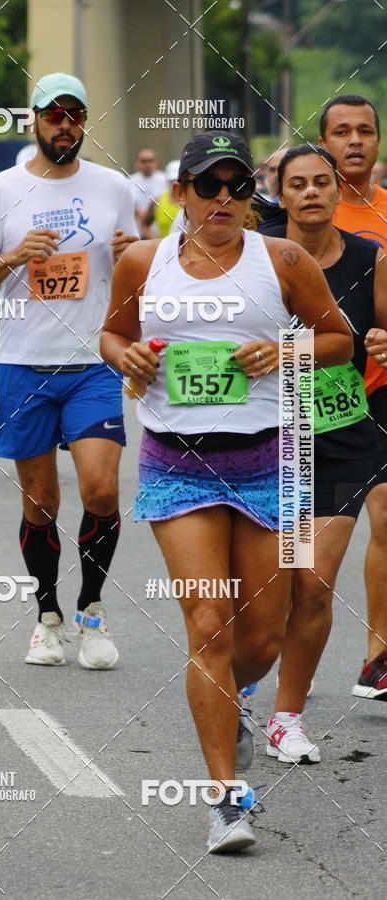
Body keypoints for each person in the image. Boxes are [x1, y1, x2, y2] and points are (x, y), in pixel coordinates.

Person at [100, 131, 352, 853]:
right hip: (178, 463)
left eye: (236, 186)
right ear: (180, 193)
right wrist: (130, 358)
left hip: (270, 460)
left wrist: (284, 349)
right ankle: (225, 798)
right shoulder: (142, 262)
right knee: (209, 624)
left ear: (251, 197)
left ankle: (230, 700)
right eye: (207, 185)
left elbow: (337, 338)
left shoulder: (284, 261)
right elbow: (111, 337)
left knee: (262, 637)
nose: (221, 198)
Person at [0, 71, 138, 668]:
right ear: (34, 120)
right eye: (53, 115)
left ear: (84, 121)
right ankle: (48, 617)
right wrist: (14, 255)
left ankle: (92, 611)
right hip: (23, 364)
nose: (65, 125)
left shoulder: (112, 185)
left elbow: (139, 269)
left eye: (74, 115)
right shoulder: (1, 191)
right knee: (40, 504)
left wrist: (128, 256)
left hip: (92, 362)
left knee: (102, 491)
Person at [259, 145, 387, 762]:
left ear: (339, 191)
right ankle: (244, 676)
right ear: (280, 195)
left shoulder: (369, 257)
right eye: (298, 184)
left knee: (312, 586)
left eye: (321, 182)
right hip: (266, 441)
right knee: (268, 590)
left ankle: (286, 718)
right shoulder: (254, 255)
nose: (310, 192)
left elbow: (383, 329)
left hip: (340, 439)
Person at [319, 94, 387, 699]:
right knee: (307, 541)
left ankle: (377, 658)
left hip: (380, 391)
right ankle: (279, 641)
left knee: (386, 514)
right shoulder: (304, 207)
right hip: (315, 393)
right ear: (324, 143)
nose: (355, 141)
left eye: (365, 130)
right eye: (342, 131)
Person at [129, 148, 167, 238]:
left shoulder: (164, 180)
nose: (148, 164)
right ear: (137, 163)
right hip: (137, 232)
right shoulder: (129, 182)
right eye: (144, 161)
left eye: (151, 161)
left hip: (158, 232)